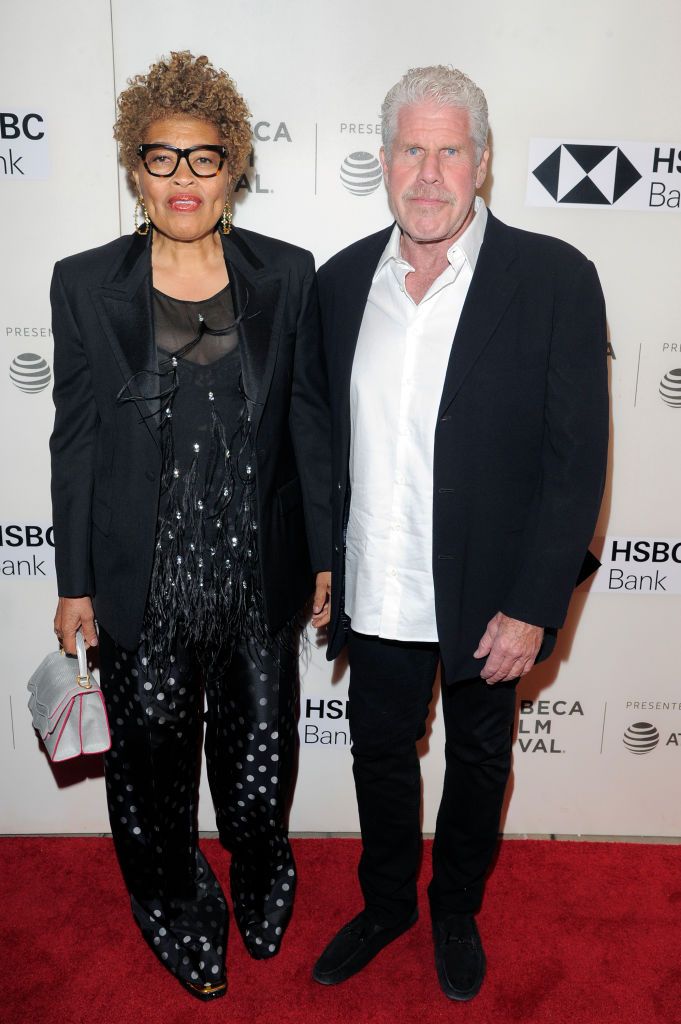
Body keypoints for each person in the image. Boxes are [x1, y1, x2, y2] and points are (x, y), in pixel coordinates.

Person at [313, 65, 608, 1001]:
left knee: (480, 759)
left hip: (491, 593)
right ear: (385, 160)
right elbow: (317, 438)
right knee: (376, 752)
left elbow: (576, 458)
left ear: (480, 163)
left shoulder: (554, 277)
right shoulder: (339, 282)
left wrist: (534, 604)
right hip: (376, 579)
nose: (429, 173)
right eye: (411, 149)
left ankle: (453, 910)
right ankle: (388, 901)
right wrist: (322, 560)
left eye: (449, 151)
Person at [50, 51, 331, 1001]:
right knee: (153, 772)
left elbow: (308, 424)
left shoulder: (287, 275)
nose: (182, 179)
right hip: (144, 578)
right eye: (160, 158)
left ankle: (258, 873)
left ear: (234, 165)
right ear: (133, 166)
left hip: (258, 576)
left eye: (203, 158)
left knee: (258, 771)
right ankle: (171, 899)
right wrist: (74, 580)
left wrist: (324, 556)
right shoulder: (86, 284)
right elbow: (78, 439)